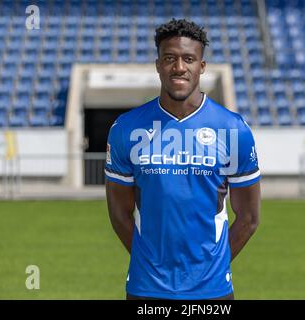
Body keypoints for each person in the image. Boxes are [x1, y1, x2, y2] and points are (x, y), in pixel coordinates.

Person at [105, 18, 261, 300]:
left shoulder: (233, 129)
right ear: (157, 65)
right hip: (146, 290)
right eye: (169, 58)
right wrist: (151, 264)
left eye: (189, 59)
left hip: (212, 292)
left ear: (201, 66)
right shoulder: (126, 129)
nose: (179, 67)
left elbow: (249, 218)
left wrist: (211, 268)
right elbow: (118, 213)